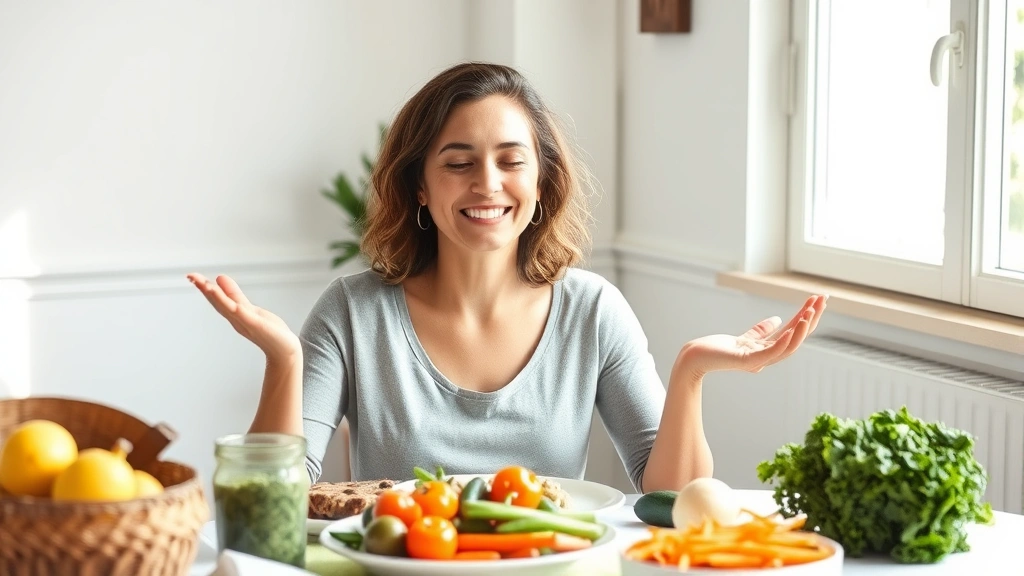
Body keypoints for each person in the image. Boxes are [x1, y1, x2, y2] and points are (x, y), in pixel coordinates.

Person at [187, 62, 826, 493]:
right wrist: (283, 360)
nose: (487, 184)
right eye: (458, 162)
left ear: (541, 182)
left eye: (510, 161)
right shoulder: (354, 311)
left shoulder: (593, 311)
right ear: (419, 187)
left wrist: (691, 371)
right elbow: (273, 495)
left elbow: (676, 500)